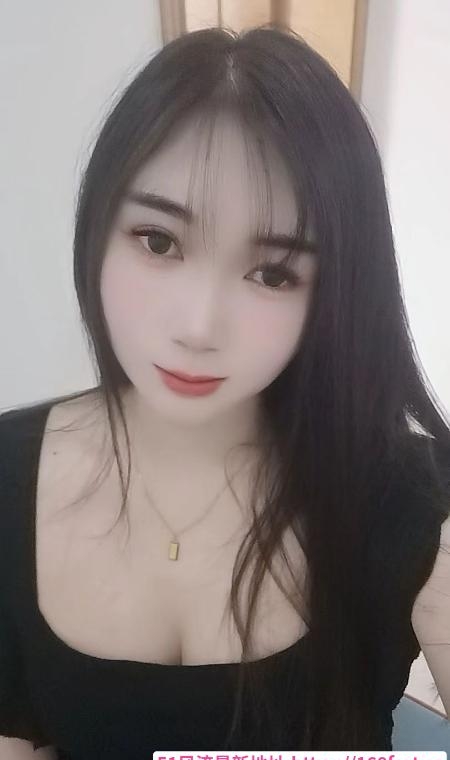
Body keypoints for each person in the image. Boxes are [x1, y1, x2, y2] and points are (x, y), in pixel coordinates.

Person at [0, 24, 449, 758]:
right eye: (159, 240)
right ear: (99, 225)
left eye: (272, 273)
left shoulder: (408, 496)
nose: (199, 326)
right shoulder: (6, 476)